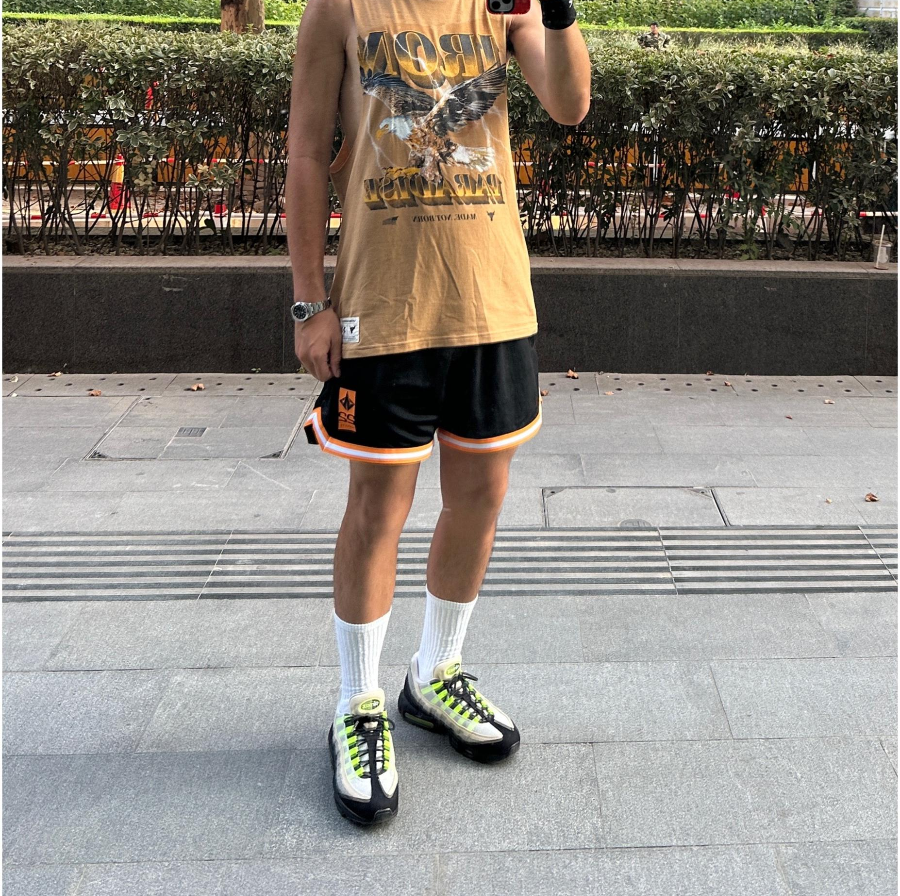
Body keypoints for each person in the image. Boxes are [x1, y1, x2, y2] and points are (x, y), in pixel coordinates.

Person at [285, 0, 590, 825]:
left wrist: (558, 9)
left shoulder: (507, 5)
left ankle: (435, 673)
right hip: (384, 306)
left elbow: (569, 103)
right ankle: (358, 702)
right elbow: (307, 155)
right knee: (377, 507)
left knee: (481, 496)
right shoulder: (338, 7)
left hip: (492, 301)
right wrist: (309, 302)